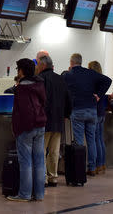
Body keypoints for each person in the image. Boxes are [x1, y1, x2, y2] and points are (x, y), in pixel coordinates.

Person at [63, 53, 112, 176]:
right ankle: (92, 167)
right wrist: (99, 95)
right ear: (81, 62)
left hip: (78, 110)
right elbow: (108, 80)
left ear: (71, 62)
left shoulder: (68, 75)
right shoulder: (89, 73)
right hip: (92, 110)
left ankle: (80, 167)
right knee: (91, 140)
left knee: (79, 141)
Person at [7, 58, 46, 202]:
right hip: (40, 125)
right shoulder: (40, 84)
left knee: (26, 162)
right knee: (39, 161)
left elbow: (21, 110)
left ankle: (25, 194)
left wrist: (16, 128)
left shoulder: (21, 89)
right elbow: (43, 102)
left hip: (26, 128)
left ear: (21, 70)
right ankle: (39, 194)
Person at [37, 55, 72, 187]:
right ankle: (53, 177)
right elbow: (69, 99)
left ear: (43, 65)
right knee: (54, 151)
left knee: (41, 150)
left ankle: (43, 177)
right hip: (58, 121)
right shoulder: (60, 79)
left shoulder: (41, 79)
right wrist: (66, 114)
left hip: (44, 121)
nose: (37, 67)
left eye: (38, 64)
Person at [88, 61, 107, 174]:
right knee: (100, 139)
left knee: (94, 140)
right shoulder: (103, 82)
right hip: (102, 113)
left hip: (95, 112)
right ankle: (102, 163)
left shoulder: (93, 82)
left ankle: (95, 165)